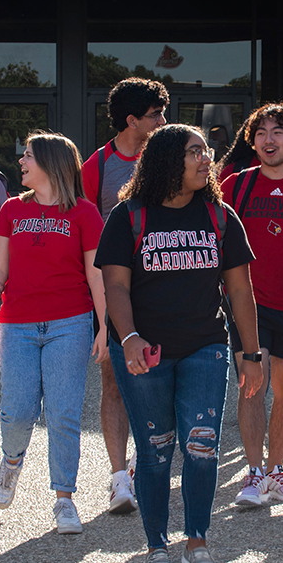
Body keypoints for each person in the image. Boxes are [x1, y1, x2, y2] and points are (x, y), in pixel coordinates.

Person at [96, 124, 263, 563]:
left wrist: (251, 354)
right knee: (155, 450)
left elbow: (240, 291)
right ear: (168, 160)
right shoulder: (128, 216)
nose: (206, 159)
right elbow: (115, 286)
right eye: (195, 152)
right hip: (143, 351)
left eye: (206, 151)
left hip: (204, 346)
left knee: (202, 447)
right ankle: (156, 546)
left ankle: (197, 542)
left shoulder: (220, 216)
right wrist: (128, 338)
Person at [0, 132, 107, 535]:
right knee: (18, 411)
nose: (22, 162)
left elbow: (96, 274)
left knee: (63, 413)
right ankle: (12, 460)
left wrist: (105, 326)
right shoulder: (12, 210)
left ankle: (64, 498)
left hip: (70, 323)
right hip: (18, 324)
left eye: (28, 156)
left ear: (50, 163)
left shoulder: (84, 213)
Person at [218, 102, 283, 507]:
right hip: (249, 305)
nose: (269, 139)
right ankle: (253, 473)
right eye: (261, 132)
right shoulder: (236, 186)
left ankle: (277, 470)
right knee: (251, 388)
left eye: (278, 132)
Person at [80, 77, 168, 514]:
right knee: (113, 381)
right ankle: (119, 478)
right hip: (114, 288)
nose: (163, 121)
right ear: (132, 120)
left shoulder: (170, 156)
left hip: (166, 286)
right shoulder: (96, 166)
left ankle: (143, 463)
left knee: (162, 382)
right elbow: (81, 230)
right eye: (156, 115)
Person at [215, 117, 283, 184]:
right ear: (251, 141)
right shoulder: (232, 178)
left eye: (277, 133)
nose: (268, 140)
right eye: (261, 133)